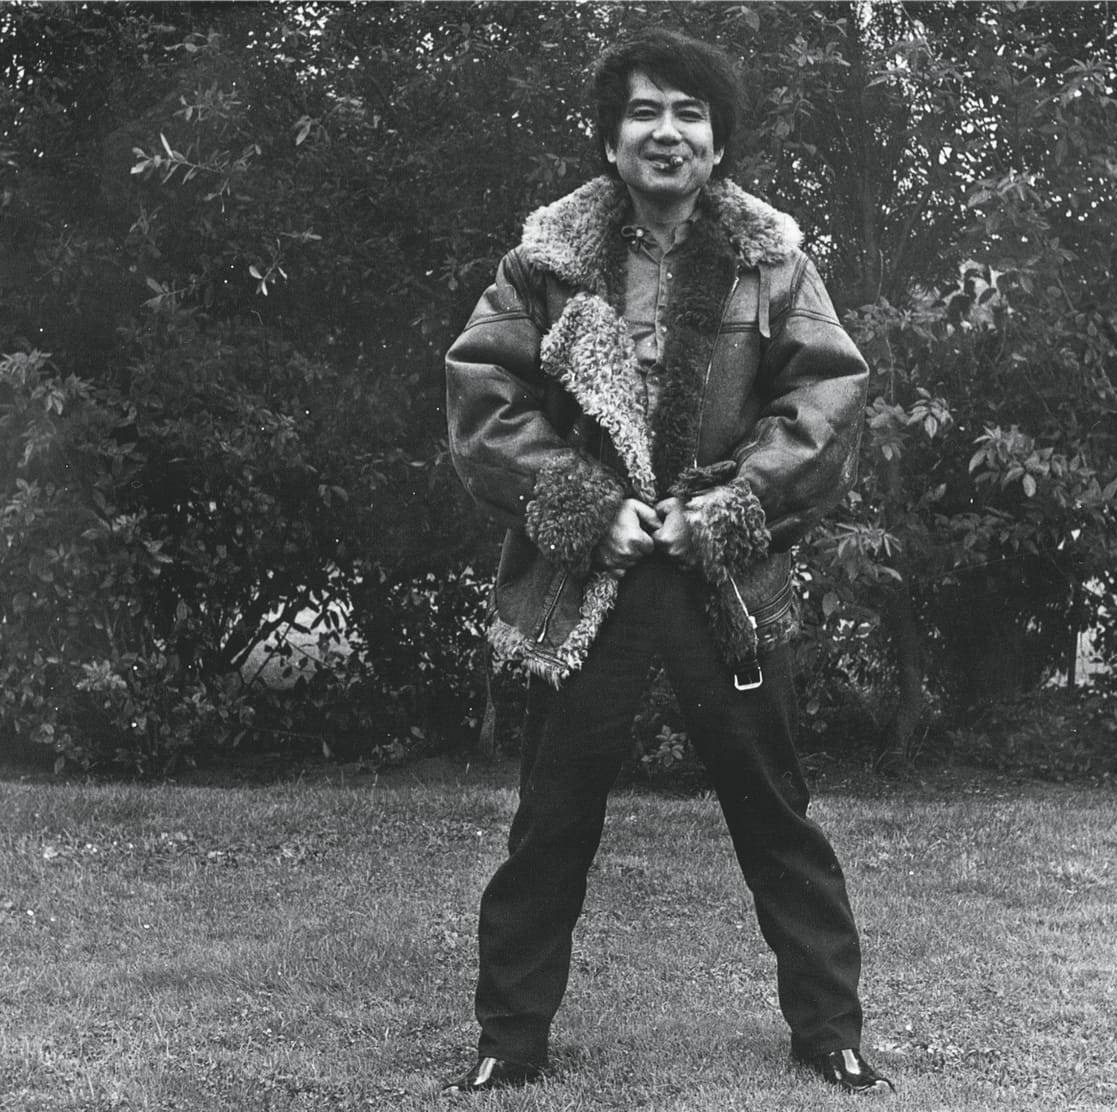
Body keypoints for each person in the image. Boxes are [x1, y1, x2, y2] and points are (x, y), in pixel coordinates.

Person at [442, 27, 893, 1097]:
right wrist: (586, 508)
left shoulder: (773, 261)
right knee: (551, 818)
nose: (667, 132)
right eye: (644, 111)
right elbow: (484, 399)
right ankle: (510, 1039)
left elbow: (827, 398)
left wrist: (732, 508)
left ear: (717, 142)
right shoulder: (543, 263)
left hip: (723, 581)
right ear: (610, 139)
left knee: (775, 813)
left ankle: (830, 1030)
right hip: (584, 583)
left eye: (690, 113)